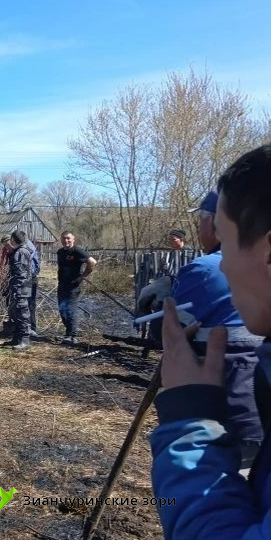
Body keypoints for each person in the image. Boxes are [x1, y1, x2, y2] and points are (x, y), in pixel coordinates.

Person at [149, 144, 271, 537]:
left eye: (226, 240)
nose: (222, 265)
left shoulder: (201, 271)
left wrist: (189, 421)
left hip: (226, 411)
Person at [56, 231, 97, 345]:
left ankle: (72, 336)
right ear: (61, 239)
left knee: (71, 310)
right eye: (64, 238)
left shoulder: (77, 251)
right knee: (62, 310)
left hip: (73, 286)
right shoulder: (60, 252)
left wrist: (82, 277)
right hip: (62, 285)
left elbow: (92, 262)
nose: (66, 241)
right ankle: (68, 333)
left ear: (73, 239)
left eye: (68, 238)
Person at [0, 231, 33, 350]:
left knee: (22, 313)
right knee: (15, 313)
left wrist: (15, 288)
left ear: (13, 239)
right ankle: (17, 338)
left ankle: (24, 339)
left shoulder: (21, 252)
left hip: (21, 288)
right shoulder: (17, 251)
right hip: (17, 288)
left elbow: (21, 274)